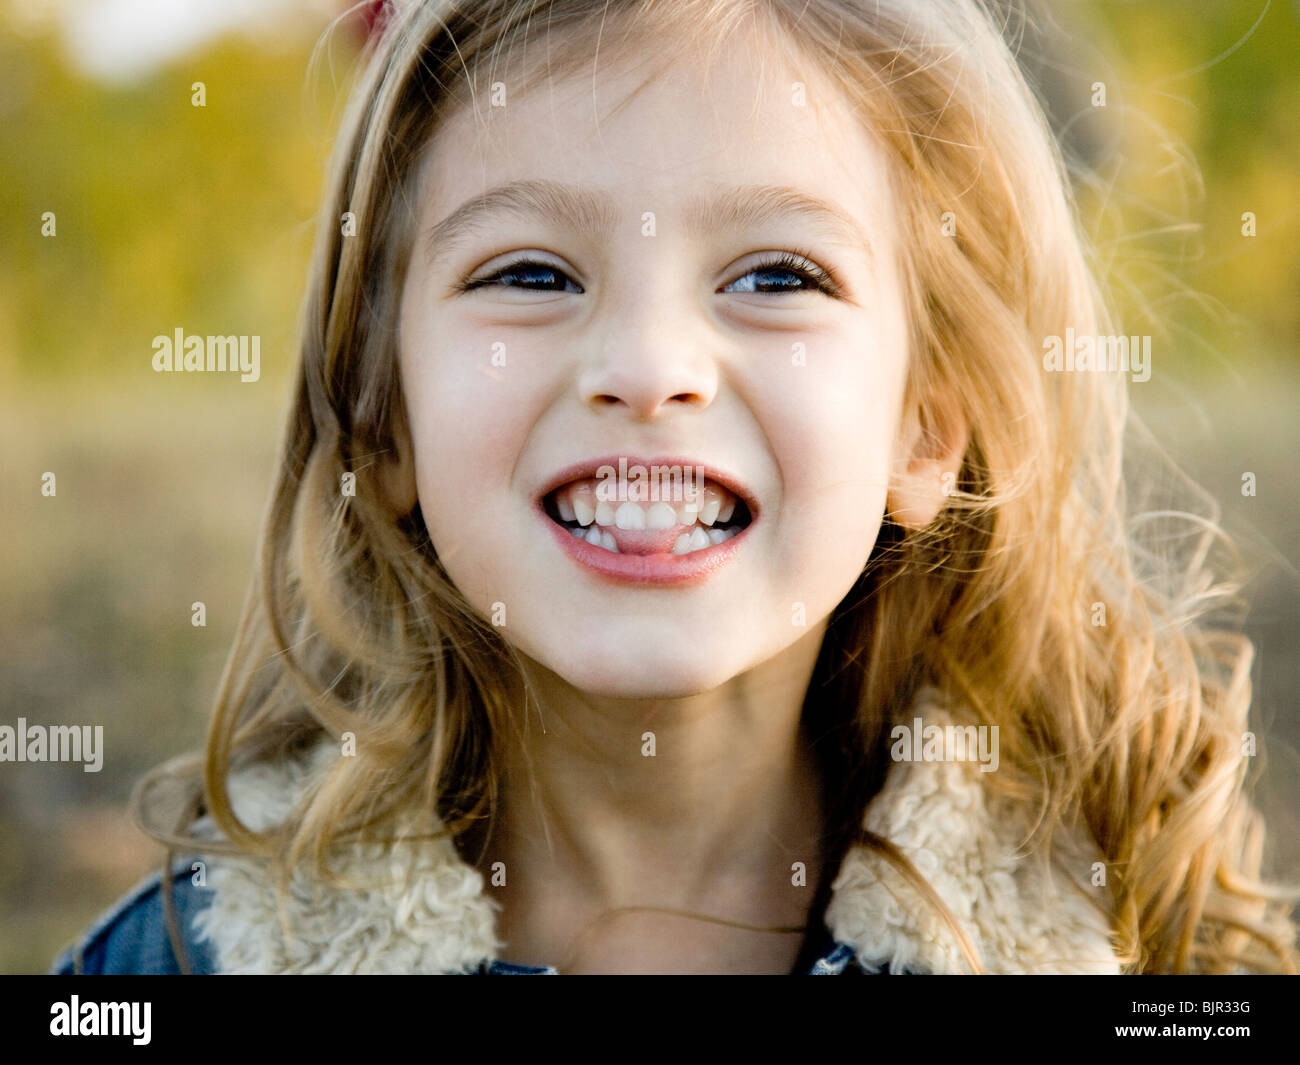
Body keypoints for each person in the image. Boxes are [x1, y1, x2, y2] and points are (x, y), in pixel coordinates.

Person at [53, 0, 1297, 975]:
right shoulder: (176, 971)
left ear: (926, 428)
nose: (648, 370)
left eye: (775, 276)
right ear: (385, 421)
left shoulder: (1127, 941)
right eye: (533, 274)